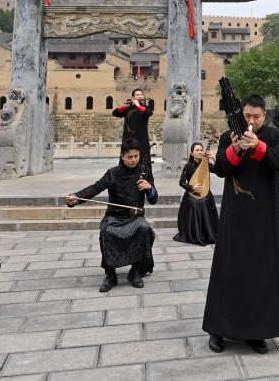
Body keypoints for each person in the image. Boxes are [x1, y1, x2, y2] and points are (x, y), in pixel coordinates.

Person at [204, 94, 279, 355]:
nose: (251, 120)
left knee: (261, 273)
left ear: (264, 115)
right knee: (228, 269)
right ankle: (219, 329)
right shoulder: (228, 136)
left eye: (256, 116)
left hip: (264, 216)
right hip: (235, 214)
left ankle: (257, 332)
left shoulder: (274, 136)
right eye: (247, 116)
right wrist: (237, 149)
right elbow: (220, 169)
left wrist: (257, 146)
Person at [66, 139, 158, 292]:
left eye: (136, 156)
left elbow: (153, 200)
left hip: (135, 217)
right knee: (106, 231)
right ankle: (110, 274)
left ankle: (135, 271)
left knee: (144, 229)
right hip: (114, 217)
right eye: (130, 157)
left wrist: (150, 189)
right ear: (122, 156)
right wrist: (76, 197)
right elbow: (95, 188)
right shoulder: (113, 173)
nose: (133, 160)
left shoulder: (144, 172)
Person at [173, 141, 220, 246]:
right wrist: (192, 187)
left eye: (201, 150)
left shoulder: (206, 164)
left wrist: (214, 158)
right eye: (197, 150)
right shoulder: (187, 166)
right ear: (192, 153)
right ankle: (195, 234)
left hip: (205, 193)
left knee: (204, 201)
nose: (199, 152)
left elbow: (218, 171)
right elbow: (181, 182)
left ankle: (207, 234)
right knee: (194, 203)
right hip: (191, 194)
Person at [113, 88, 154, 171]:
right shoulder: (128, 108)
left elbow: (149, 113)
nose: (140, 96)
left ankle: (144, 176)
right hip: (129, 138)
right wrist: (124, 106)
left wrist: (138, 105)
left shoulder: (144, 107)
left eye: (141, 94)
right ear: (133, 97)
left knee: (143, 158)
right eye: (137, 95)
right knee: (127, 156)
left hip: (142, 138)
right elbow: (115, 113)